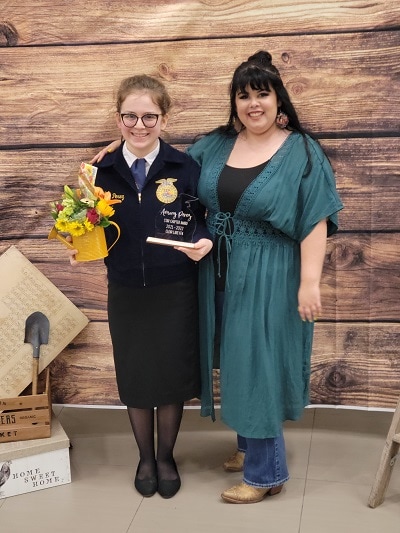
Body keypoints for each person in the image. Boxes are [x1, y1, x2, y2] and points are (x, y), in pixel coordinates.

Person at [93, 51, 343, 504]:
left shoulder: (301, 151)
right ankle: (248, 447)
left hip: (269, 272)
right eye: (243, 95)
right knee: (235, 359)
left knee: (258, 365)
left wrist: (310, 282)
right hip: (217, 271)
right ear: (234, 102)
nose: (253, 104)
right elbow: (161, 156)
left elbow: (316, 218)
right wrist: (117, 148)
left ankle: (266, 473)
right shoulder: (218, 145)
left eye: (261, 94)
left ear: (277, 99)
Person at [69, 74, 213, 499]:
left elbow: (199, 216)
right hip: (126, 287)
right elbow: (83, 221)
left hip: (174, 287)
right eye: (129, 115)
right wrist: (77, 244)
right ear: (117, 118)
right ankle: (144, 458)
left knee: (169, 375)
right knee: (135, 375)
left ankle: (166, 457)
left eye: (149, 116)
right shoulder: (98, 171)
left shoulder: (183, 167)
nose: (139, 124)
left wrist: (203, 240)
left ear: (164, 118)